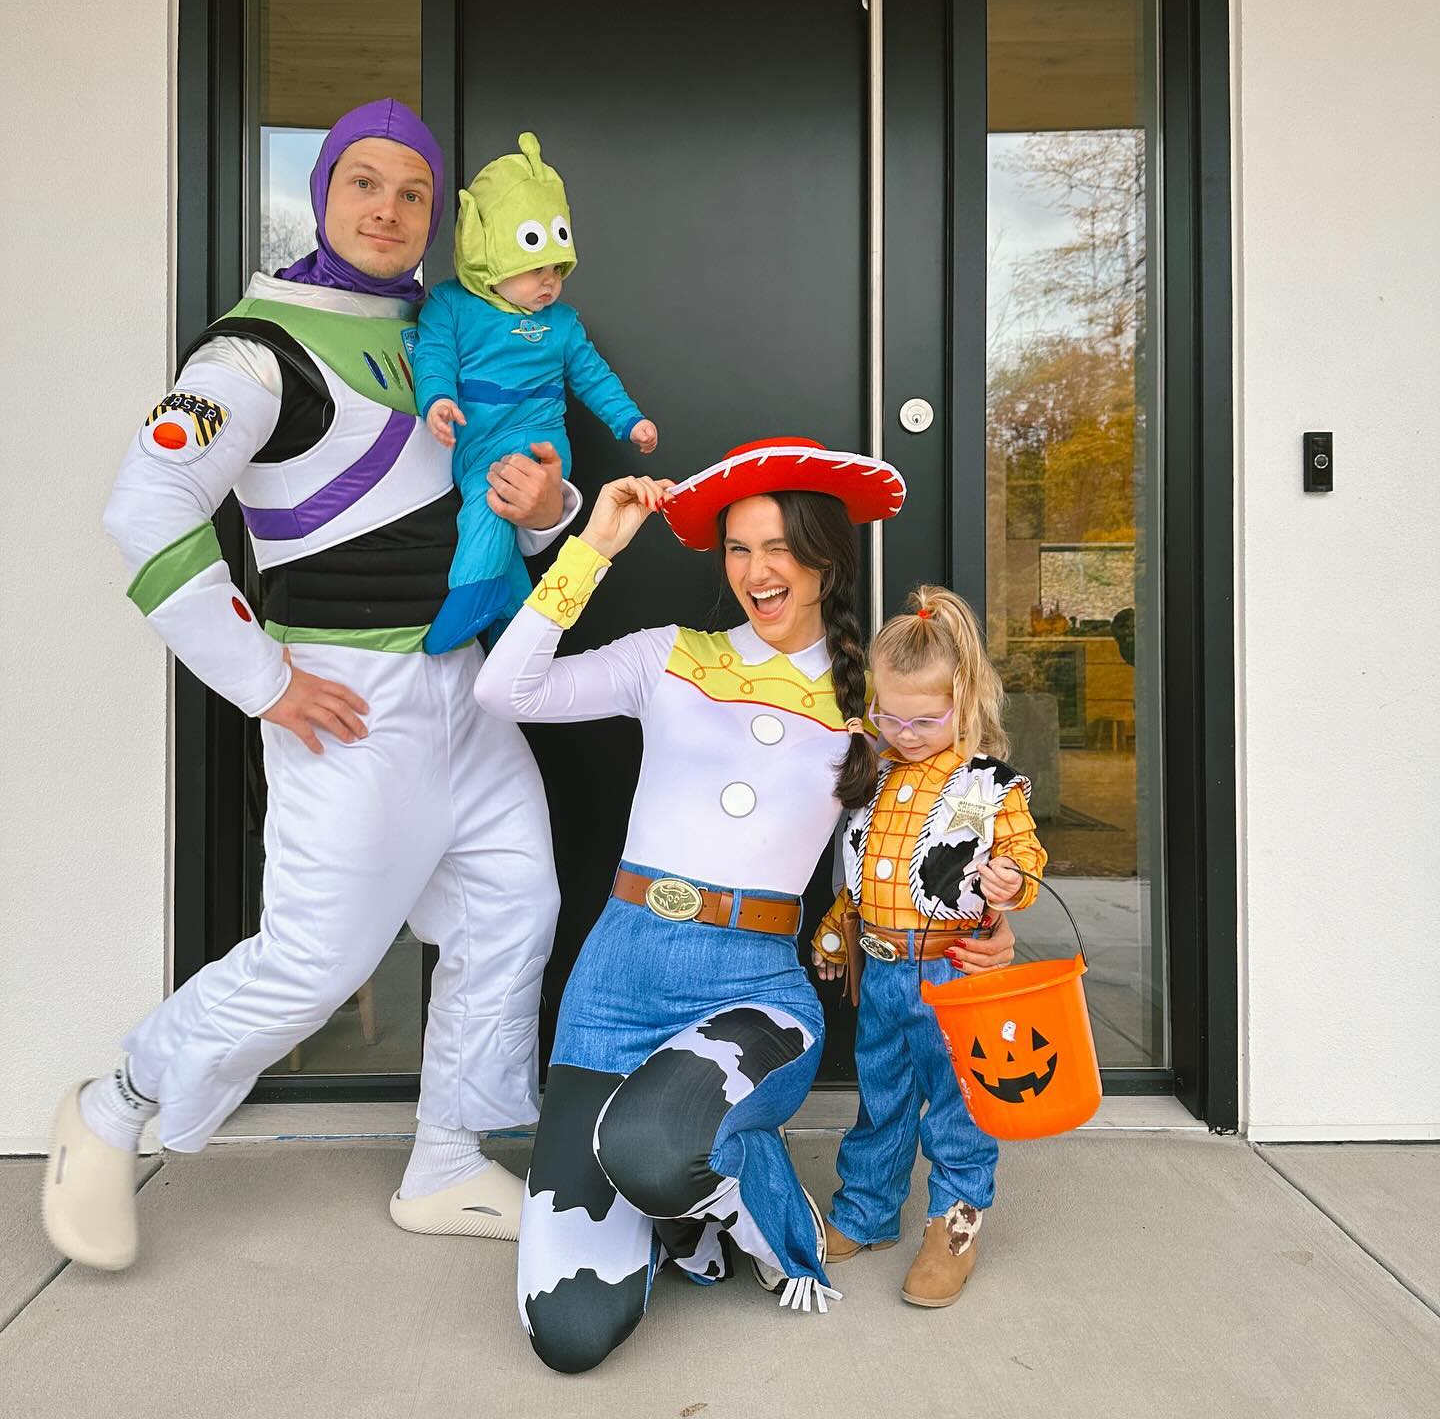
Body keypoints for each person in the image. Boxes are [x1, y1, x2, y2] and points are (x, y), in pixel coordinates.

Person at [43, 98, 572, 1273]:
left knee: (512, 908)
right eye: (363, 184)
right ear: (326, 191)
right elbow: (146, 508)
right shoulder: (253, 348)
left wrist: (552, 511)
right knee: (314, 962)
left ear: (440, 215)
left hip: (465, 682)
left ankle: (447, 1156)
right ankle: (114, 1106)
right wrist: (264, 680)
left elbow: (506, 503)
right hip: (343, 696)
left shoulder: (457, 327)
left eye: (413, 192)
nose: (387, 209)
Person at [473, 436, 1017, 1372]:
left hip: (754, 995)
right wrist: (592, 545)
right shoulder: (669, 657)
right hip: (614, 983)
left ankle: (741, 1195)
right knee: (569, 1337)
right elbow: (503, 688)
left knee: (649, 1152)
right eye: (737, 549)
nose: (755, 571)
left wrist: (991, 915)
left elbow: (956, 814)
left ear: (823, 562)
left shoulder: (870, 707)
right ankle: (688, 1211)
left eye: (777, 548)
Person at [810, 585, 1048, 1307]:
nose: (905, 732)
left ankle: (954, 1227)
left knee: (957, 1106)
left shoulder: (984, 786)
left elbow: (1024, 855)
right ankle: (867, 1211)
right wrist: (834, 929)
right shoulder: (873, 776)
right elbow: (859, 876)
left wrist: (1009, 881)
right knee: (880, 1100)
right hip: (881, 976)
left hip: (951, 975)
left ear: (965, 699)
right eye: (890, 715)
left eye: (926, 719)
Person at [414, 131, 657, 654]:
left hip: (539, 440)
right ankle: (512, 632)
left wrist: (629, 420)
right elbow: (434, 357)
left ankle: (469, 593)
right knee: (488, 501)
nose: (549, 283)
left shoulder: (562, 323)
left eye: (557, 270)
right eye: (534, 269)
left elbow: (593, 376)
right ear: (487, 258)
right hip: (474, 439)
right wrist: (435, 400)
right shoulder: (451, 306)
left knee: (490, 496)